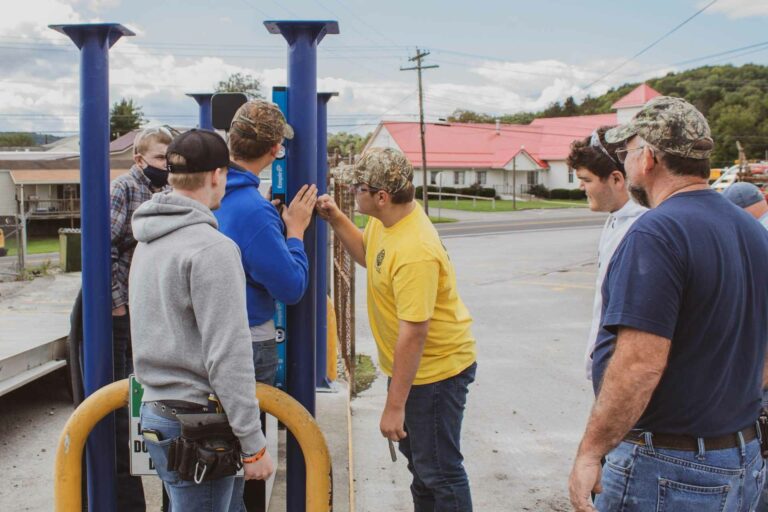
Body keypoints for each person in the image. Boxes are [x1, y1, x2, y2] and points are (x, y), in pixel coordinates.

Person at [568, 96, 768, 512]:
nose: (624, 161)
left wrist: (591, 451)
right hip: (742, 457)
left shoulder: (657, 233)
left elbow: (640, 364)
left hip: (668, 469)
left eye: (629, 151)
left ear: (650, 158)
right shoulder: (752, 232)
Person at [316, 147, 477, 511]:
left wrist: (394, 405)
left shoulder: (415, 250)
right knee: (423, 470)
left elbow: (414, 332)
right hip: (416, 371)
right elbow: (368, 256)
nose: (352, 190)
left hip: (436, 374)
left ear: (381, 196)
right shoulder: (387, 221)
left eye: (357, 187)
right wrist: (337, 218)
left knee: (440, 473)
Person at [130, 129, 274, 511]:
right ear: (216, 175)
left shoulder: (147, 239)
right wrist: (254, 442)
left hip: (159, 412)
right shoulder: (213, 249)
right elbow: (227, 353)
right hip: (199, 423)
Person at [213, 100, 317, 511]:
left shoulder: (212, 194)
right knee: (244, 457)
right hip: (247, 343)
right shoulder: (254, 211)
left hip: (205, 342)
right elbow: (290, 287)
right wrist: (293, 233)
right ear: (276, 149)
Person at [109, 125, 174, 510]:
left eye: (171, 159)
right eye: (160, 159)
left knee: (150, 400)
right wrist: (117, 304)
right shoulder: (125, 188)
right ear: (139, 160)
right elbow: (105, 245)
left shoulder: (164, 192)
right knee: (118, 408)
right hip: (121, 309)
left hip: (147, 310)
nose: (166, 166)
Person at [567, 126, 646, 381]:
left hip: (625, 375)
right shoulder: (615, 219)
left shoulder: (642, 230)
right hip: (606, 365)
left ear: (616, 179)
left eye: (587, 179)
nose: (581, 186)